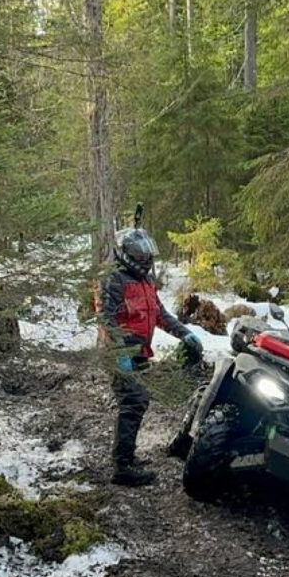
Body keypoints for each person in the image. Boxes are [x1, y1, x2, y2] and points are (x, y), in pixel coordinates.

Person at [98, 207, 203, 486]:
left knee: (139, 402)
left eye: (147, 256)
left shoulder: (145, 281)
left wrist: (185, 334)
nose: (145, 260)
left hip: (141, 351)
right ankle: (122, 467)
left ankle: (127, 457)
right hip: (120, 351)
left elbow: (159, 314)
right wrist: (119, 354)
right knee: (133, 402)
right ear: (126, 255)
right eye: (139, 256)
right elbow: (106, 319)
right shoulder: (113, 279)